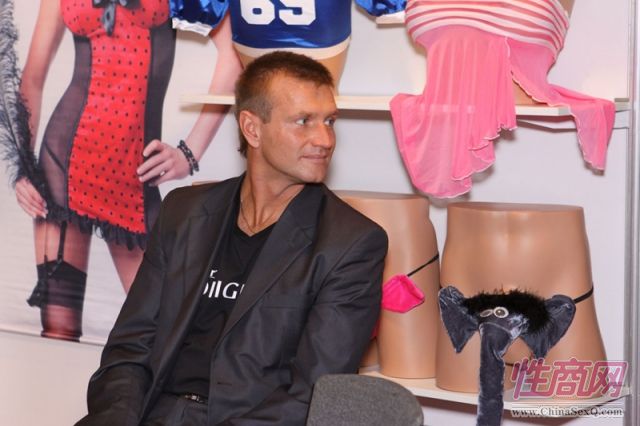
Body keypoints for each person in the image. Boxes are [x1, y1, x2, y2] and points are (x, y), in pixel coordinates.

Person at [75, 51, 388, 425]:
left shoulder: (350, 243)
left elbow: (312, 396)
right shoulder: (184, 212)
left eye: (330, 121)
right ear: (252, 128)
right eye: (304, 121)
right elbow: (130, 347)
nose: (324, 139)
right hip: (152, 412)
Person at [14, 0, 241, 342]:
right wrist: (23, 166)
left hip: (133, 176)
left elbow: (233, 55)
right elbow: (32, 79)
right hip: (63, 165)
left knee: (164, 331)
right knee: (58, 327)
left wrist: (190, 152)